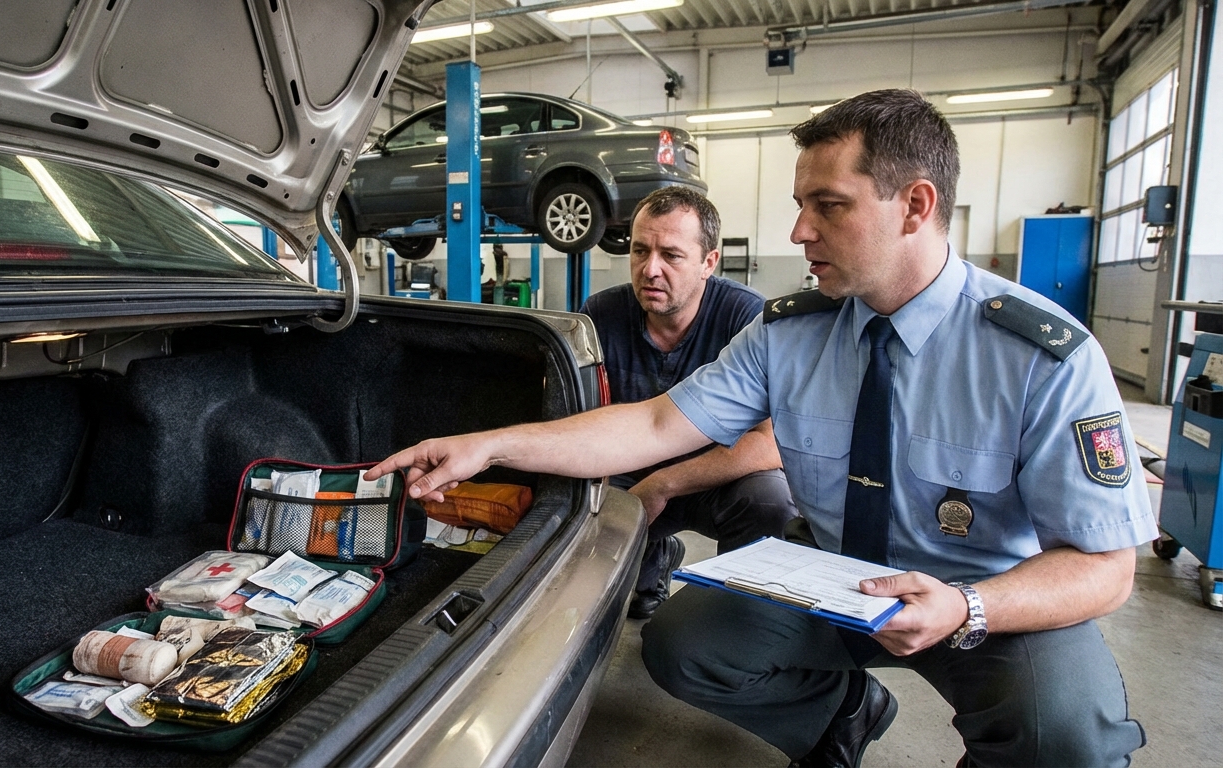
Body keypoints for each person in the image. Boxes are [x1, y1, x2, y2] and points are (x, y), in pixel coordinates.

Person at [366, 89, 1154, 767]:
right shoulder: (790, 332)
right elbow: (652, 424)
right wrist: (492, 443)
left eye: (829, 206)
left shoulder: (1040, 356)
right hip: (835, 573)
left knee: (1072, 735)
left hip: (985, 594)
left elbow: (1106, 569)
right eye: (800, 206)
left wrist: (967, 608)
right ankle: (839, 715)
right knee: (685, 646)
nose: (799, 233)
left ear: (916, 205)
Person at [579, 186, 797, 619]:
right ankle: (655, 557)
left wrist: (663, 484)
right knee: (575, 518)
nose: (650, 269)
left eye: (671, 255)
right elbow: (584, 421)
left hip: (713, 476)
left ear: (708, 263)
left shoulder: (748, 319)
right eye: (640, 251)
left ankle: (736, 626)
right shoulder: (600, 315)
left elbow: (770, 444)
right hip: (627, 474)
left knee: (770, 501)